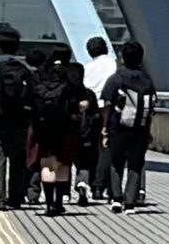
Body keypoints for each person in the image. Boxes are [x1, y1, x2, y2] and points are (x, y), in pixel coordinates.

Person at [0, 27, 36, 211]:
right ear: (17, 48)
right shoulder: (25, 70)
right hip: (19, 120)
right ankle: (16, 197)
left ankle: (0, 199)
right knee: (18, 158)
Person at [102, 40, 157, 210]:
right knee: (135, 163)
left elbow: (107, 105)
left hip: (117, 127)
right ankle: (130, 201)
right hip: (139, 129)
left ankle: (116, 198)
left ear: (123, 57)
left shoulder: (116, 78)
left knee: (116, 162)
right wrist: (148, 130)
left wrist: (104, 127)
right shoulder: (147, 81)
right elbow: (151, 108)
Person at [28, 46, 81, 216]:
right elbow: (81, 99)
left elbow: (29, 98)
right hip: (66, 126)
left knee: (46, 163)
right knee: (63, 163)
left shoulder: (40, 73)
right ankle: (59, 203)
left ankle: (49, 204)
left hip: (42, 125)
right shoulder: (73, 72)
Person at [81, 35, 119, 202]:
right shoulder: (114, 64)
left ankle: (88, 182)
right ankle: (100, 187)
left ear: (89, 52)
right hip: (109, 110)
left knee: (89, 149)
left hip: (90, 110)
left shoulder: (87, 68)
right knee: (105, 149)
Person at [69, 63, 102, 209]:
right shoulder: (89, 94)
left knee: (65, 163)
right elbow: (97, 116)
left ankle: (63, 192)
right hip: (87, 136)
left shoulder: (65, 91)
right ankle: (82, 183)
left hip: (68, 135)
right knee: (84, 165)